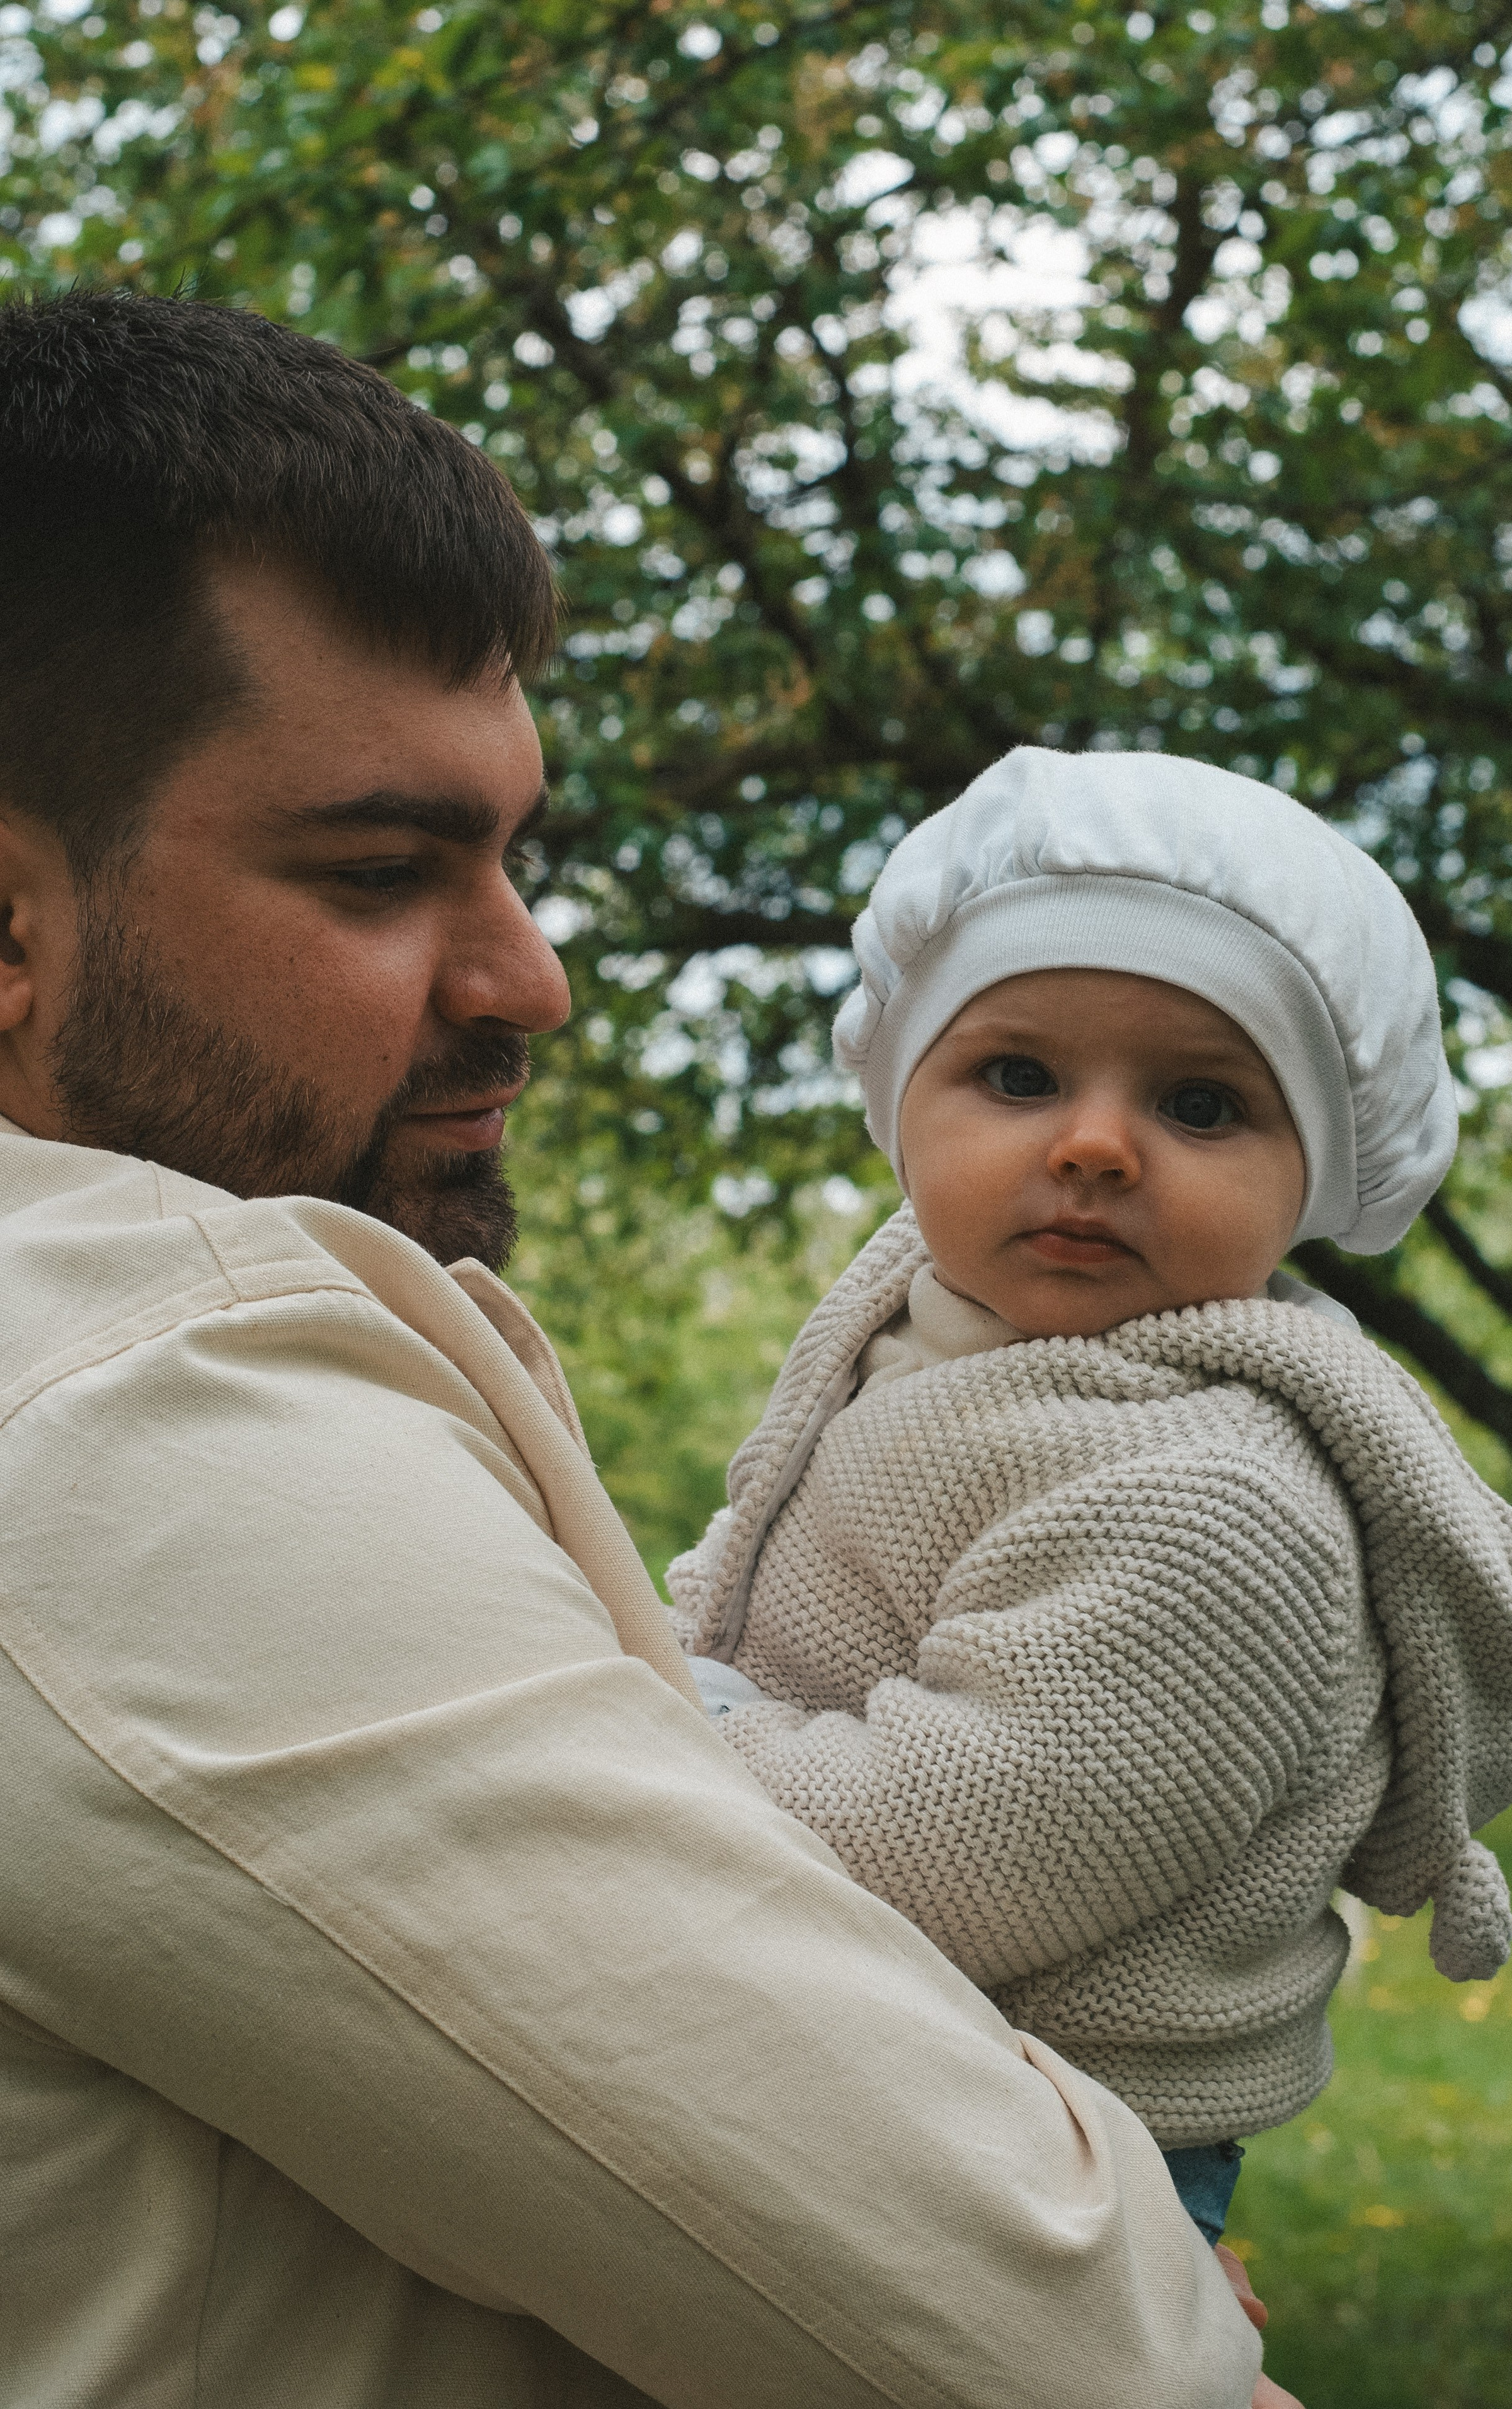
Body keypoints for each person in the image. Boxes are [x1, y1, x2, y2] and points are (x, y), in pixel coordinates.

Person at [0, 292, 1283, 2406]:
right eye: (385, 869)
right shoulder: (133, 1403)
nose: (534, 975)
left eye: (520, 852)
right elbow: (1051, 2340)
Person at [669, 748, 1512, 2249]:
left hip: (1057, 2121)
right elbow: (761, 1545)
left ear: (1314, 1178)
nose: (1091, 1143)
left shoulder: (1216, 1500)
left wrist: (663, 1730)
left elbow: (982, 1835)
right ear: (900, 1103)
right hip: (882, 2013)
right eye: (1017, 1076)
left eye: (1201, 1102)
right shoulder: (914, 1313)